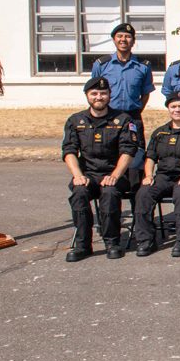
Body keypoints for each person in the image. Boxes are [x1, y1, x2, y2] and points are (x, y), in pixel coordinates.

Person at [61, 77, 139, 262]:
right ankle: (82, 245)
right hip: (87, 174)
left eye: (103, 93)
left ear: (109, 95)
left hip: (115, 173)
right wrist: (78, 176)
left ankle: (112, 242)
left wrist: (114, 176)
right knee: (79, 194)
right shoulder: (75, 120)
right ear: (87, 96)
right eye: (94, 93)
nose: (99, 97)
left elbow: (128, 151)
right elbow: (69, 151)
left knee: (110, 193)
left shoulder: (122, 119)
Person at [132, 91, 180, 257]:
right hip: (163, 177)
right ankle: (146, 241)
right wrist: (148, 176)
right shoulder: (160, 133)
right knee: (144, 194)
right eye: (173, 106)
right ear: (168, 109)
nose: (177, 110)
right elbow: (150, 157)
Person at [90, 22, 153, 143]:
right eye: (120, 36)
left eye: (128, 36)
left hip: (133, 117)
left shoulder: (143, 66)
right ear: (114, 40)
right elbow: (93, 91)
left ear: (133, 41)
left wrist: (137, 110)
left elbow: (146, 93)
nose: (123, 40)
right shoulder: (101, 65)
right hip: (108, 116)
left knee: (137, 154)